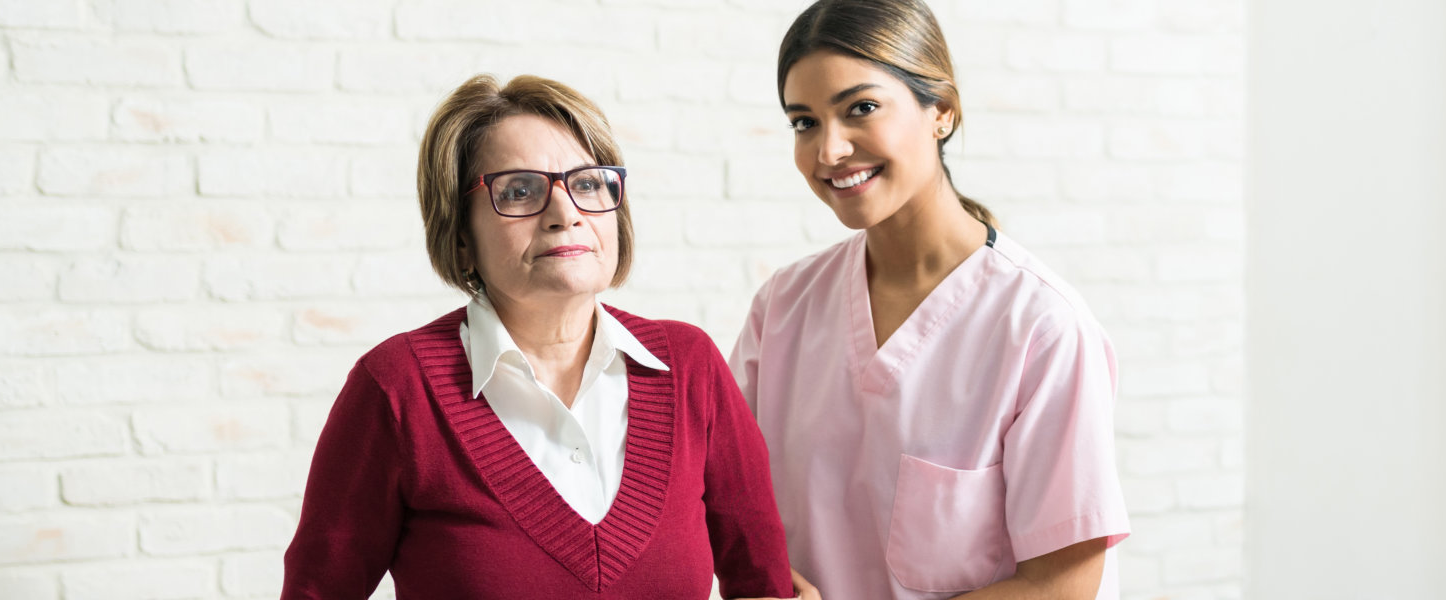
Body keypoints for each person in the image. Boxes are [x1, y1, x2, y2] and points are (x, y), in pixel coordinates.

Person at [282, 74, 793, 600]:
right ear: (461, 233)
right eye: (519, 190)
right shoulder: (395, 388)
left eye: (589, 184)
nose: (565, 213)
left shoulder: (691, 367)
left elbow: (764, 585)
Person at [729, 1, 1132, 598]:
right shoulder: (783, 306)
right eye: (804, 122)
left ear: (941, 111)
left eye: (860, 108)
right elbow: (729, 507)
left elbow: (1062, 587)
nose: (828, 150)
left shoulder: (1041, 327)